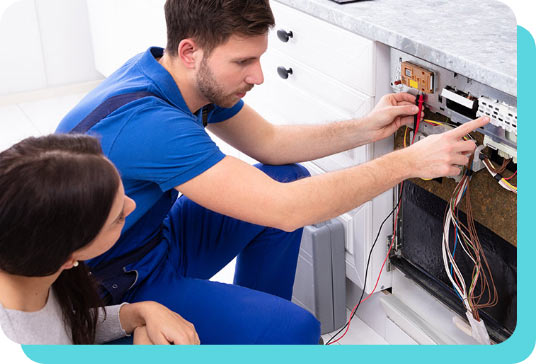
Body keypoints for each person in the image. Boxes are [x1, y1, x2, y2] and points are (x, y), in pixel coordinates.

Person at [56, 0, 489, 344]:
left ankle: (258, 332)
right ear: (190, 51)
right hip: (115, 290)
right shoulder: (149, 123)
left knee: (286, 176)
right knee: (298, 329)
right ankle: (273, 336)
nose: (258, 76)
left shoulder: (169, 73)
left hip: (154, 241)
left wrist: (366, 127)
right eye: (243, 61)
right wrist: (410, 162)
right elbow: (285, 211)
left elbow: (271, 144)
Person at [0, 134, 199, 345]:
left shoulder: (30, 266)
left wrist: (140, 312)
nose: (131, 205)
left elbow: (66, 326)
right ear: (68, 258)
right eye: (117, 218)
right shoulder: (19, 345)